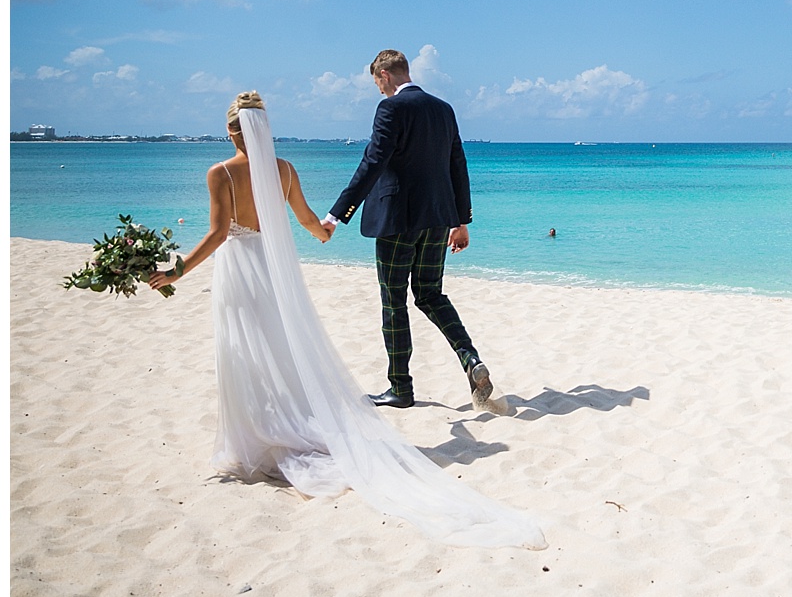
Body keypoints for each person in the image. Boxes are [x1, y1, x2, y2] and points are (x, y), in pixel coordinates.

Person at [148, 91, 543, 549]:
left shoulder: (220, 173)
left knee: (245, 350)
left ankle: (261, 436)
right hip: (277, 271)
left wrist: (177, 270)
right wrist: (324, 231)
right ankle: (442, 367)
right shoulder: (285, 170)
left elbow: (219, 233)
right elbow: (307, 220)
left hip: (240, 271)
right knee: (283, 345)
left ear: (230, 131)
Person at [324, 49, 505, 414]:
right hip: (438, 219)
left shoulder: (391, 109)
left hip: (396, 221)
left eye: (377, 82)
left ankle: (400, 388)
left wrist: (337, 213)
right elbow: (457, 164)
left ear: (385, 75)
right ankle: (470, 360)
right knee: (431, 295)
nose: (378, 90)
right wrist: (461, 220)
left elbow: (373, 161)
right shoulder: (443, 109)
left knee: (394, 302)